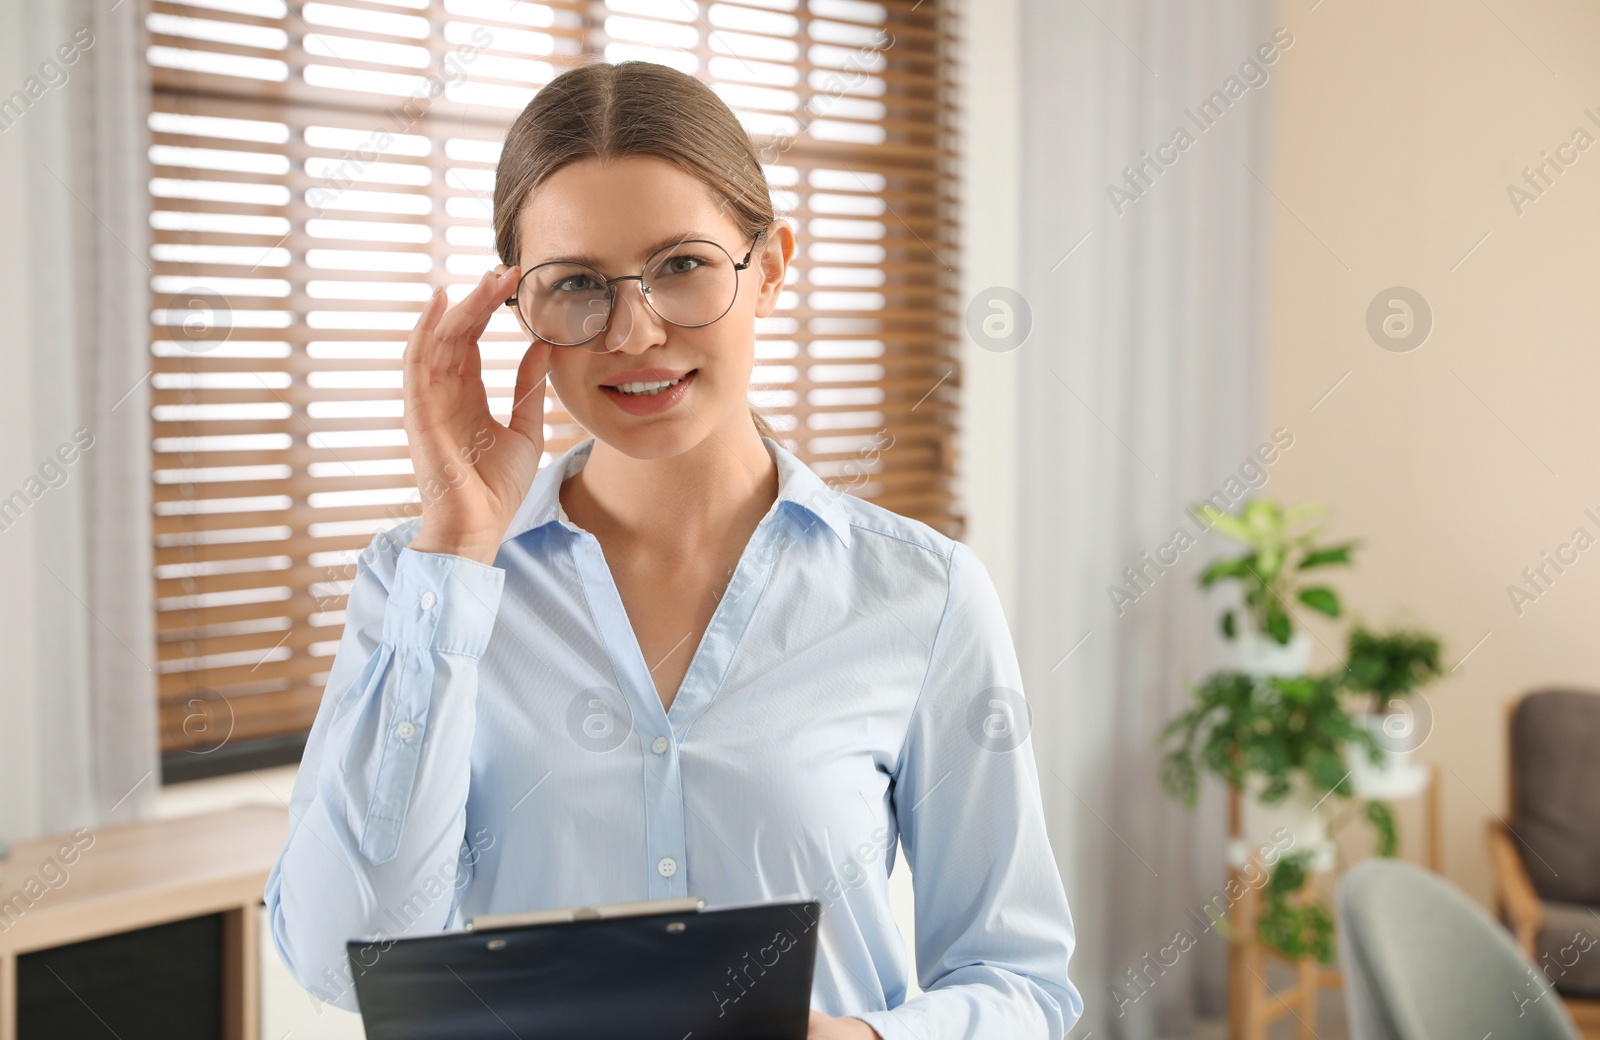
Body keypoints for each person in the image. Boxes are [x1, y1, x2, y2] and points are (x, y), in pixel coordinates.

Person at [264, 59, 1082, 1040]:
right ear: (521, 310)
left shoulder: (921, 592)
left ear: (770, 265)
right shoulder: (418, 578)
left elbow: (1020, 980)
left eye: (682, 265)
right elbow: (342, 961)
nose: (635, 329)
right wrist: (454, 551)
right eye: (575, 284)